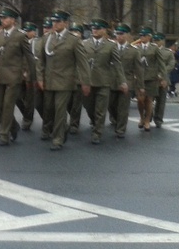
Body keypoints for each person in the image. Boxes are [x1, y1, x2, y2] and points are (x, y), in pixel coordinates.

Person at [35, 10, 91, 151]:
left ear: (66, 23)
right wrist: (40, 78)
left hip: (65, 81)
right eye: (53, 21)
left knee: (60, 110)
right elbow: (40, 60)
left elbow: (82, 63)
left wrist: (85, 82)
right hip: (49, 80)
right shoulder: (46, 38)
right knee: (48, 108)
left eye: (58, 21)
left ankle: (58, 139)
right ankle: (61, 129)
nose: (55, 24)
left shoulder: (73, 40)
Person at [0, 7, 30, 146]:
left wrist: (28, 73)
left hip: (14, 75)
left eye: (5, 18)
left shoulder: (20, 35)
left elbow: (28, 57)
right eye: (1, 18)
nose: (3, 20)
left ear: (13, 20)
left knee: (8, 105)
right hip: (0, 75)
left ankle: (4, 135)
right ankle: (14, 126)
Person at [82, 19, 126, 145]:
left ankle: (97, 133)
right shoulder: (84, 44)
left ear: (104, 30)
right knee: (89, 107)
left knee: (100, 109)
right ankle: (95, 122)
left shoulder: (111, 45)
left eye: (97, 28)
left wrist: (122, 81)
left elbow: (117, 64)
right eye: (93, 28)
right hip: (88, 81)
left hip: (104, 82)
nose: (94, 30)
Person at [108, 23, 143, 139]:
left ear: (127, 35)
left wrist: (140, 86)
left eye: (121, 34)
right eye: (117, 34)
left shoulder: (134, 51)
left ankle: (121, 129)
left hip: (127, 83)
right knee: (111, 105)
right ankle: (115, 119)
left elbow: (138, 69)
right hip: (111, 81)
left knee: (123, 108)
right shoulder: (110, 47)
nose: (119, 36)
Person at [135, 27, 165, 131]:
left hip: (152, 78)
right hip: (139, 78)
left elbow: (161, 63)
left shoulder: (154, 48)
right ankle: (141, 117)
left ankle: (147, 120)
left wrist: (163, 76)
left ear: (149, 37)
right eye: (140, 36)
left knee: (149, 100)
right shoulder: (136, 48)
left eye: (144, 36)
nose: (141, 37)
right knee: (140, 100)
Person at [17, 21, 39, 130]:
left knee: (30, 100)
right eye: (26, 30)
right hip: (20, 74)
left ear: (34, 32)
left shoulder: (37, 43)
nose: (27, 32)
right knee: (17, 97)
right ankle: (26, 114)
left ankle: (27, 120)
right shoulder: (20, 41)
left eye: (29, 31)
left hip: (31, 76)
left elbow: (36, 61)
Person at [153, 32, 176, 128]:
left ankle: (158, 119)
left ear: (162, 41)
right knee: (148, 99)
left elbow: (171, 65)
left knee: (161, 101)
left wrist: (161, 73)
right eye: (154, 40)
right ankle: (148, 115)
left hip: (163, 79)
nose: (156, 42)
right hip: (151, 78)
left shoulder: (168, 52)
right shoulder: (149, 50)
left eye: (157, 40)